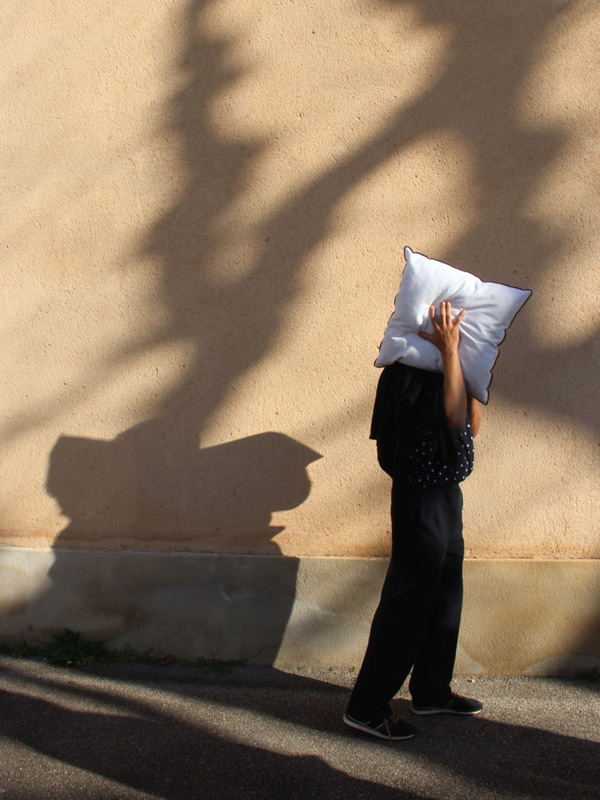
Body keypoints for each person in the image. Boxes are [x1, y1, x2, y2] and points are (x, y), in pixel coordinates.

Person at [344, 300, 483, 741]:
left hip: (447, 496)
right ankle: (366, 707)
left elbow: (473, 424)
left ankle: (431, 691)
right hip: (420, 500)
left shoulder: (451, 368)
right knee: (408, 602)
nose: (453, 330)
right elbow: (454, 415)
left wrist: (465, 364)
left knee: (444, 597)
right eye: (448, 325)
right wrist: (449, 354)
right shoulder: (406, 374)